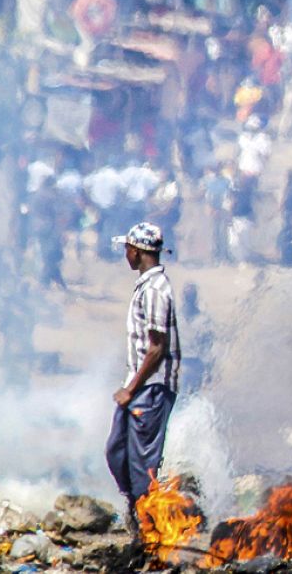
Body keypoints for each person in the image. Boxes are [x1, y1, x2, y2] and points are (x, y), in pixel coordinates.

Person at [105, 221, 181, 537]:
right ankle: (138, 513)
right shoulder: (146, 287)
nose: (126, 254)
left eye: (127, 249)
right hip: (139, 388)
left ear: (136, 252)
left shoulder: (155, 291)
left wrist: (130, 388)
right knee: (117, 451)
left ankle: (151, 534)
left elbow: (157, 349)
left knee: (142, 467)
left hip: (151, 389)